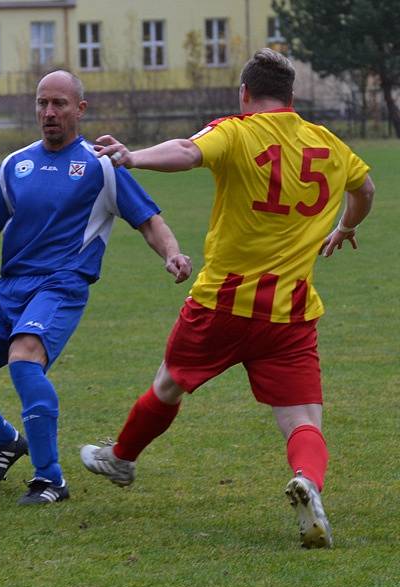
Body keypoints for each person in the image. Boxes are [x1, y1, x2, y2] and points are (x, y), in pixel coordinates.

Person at [80, 49, 375, 548]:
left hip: (222, 304)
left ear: (244, 94)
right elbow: (365, 188)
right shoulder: (327, 143)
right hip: (290, 314)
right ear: (292, 98)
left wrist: (134, 157)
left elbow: (187, 151)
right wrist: (345, 225)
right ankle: (307, 480)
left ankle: (122, 458)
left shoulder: (238, 130)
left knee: (169, 383)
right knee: (302, 420)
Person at [0, 70, 192, 505]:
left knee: (24, 358)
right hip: (9, 287)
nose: (49, 112)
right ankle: (5, 438)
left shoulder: (101, 165)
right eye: (42, 103)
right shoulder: (15, 164)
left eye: (59, 104)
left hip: (60, 285)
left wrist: (171, 254)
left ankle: (50, 479)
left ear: (79, 109)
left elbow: (149, 221)